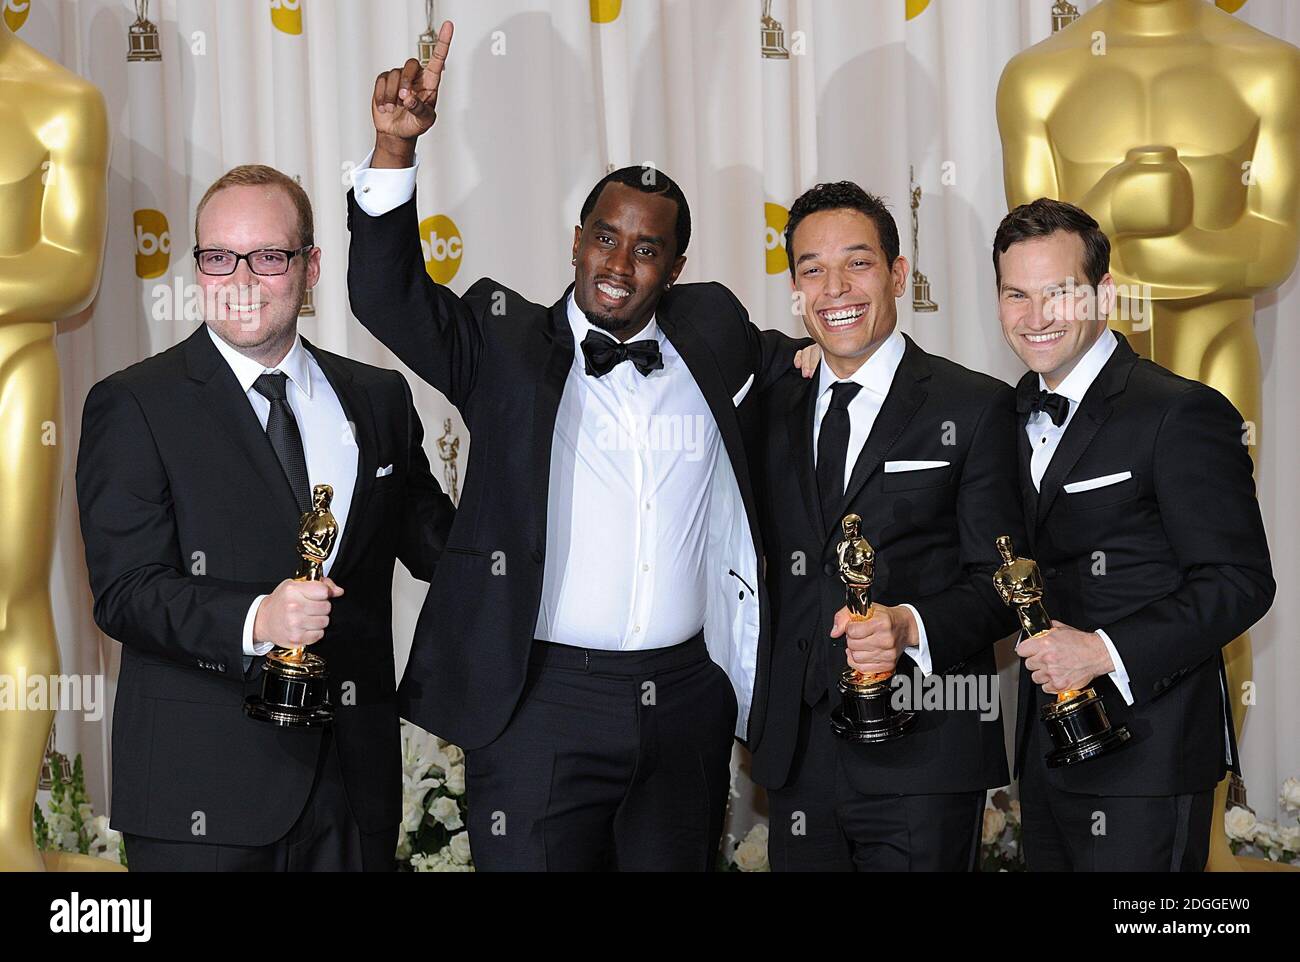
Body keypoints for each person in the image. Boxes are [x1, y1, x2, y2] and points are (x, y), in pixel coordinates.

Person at [347, 22, 816, 871]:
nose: (619, 263)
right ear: (575, 238)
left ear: (675, 268)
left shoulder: (714, 330)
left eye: (647, 249)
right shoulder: (503, 339)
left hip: (686, 699)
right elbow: (388, 295)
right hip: (539, 701)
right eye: (606, 237)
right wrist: (392, 149)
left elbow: (807, 365)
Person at [76, 164, 454, 871]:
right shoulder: (135, 406)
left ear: (310, 267)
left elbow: (441, 547)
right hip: (202, 797)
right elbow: (125, 590)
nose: (241, 279)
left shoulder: (377, 399)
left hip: (352, 788)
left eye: (269, 257)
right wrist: (258, 619)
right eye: (218, 257)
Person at [748, 181, 1024, 871]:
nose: (834, 286)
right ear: (795, 286)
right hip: (798, 758)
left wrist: (909, 625)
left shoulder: (976, 405)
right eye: (812, 268)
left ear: (899, 273)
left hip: (925, 752)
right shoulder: (768, 405)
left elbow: (1005, 582)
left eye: (858, 263)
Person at [993, 197, 1275, 871]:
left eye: (1058, 293)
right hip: (1044, 754)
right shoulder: (1003, 416)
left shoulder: (1180, 412)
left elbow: (1239, 582)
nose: (1035, 318)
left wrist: (1102, 650)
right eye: (1015, 295)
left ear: (1105, 293)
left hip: (1148, 756)